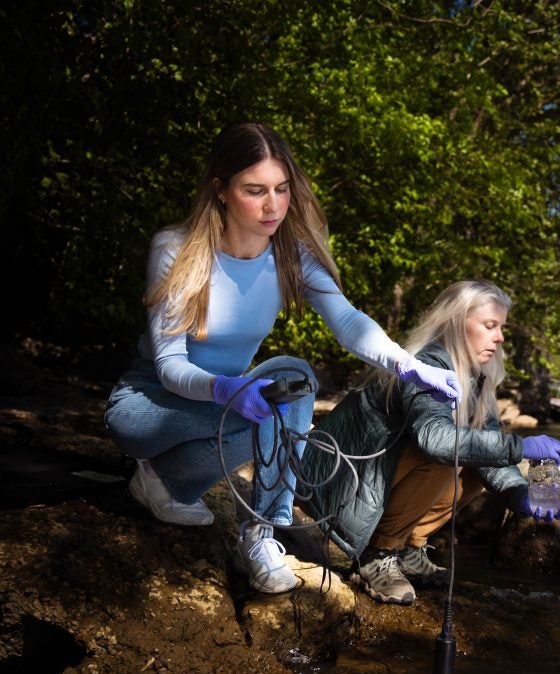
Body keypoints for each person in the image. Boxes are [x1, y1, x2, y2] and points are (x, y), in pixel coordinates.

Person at [104, 122, 461, 596]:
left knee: (294, 377)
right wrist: (224, 388)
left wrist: (408, 365)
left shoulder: (292, 254)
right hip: (151, 403)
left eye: (282, 189)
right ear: (221, 190)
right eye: (255, 191)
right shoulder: (176, 249)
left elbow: (348, 321)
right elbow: (169, 364)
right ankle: (159, 470)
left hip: (231, 404)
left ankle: (257, 532)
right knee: (272, 411)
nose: (272, 205)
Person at [302, 280, 560, 605]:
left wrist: (518, 494)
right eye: (489, 326)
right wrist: (522, 447)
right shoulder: (428, 364)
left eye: (501, 328)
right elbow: (434, 440)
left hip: (378, 480)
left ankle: (410, 546)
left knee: (480, 457)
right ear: (456, 323)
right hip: (336, 481)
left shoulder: (479, 377)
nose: (499, 338)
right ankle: (378, 554)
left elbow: (490, 445)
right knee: (448, 452)